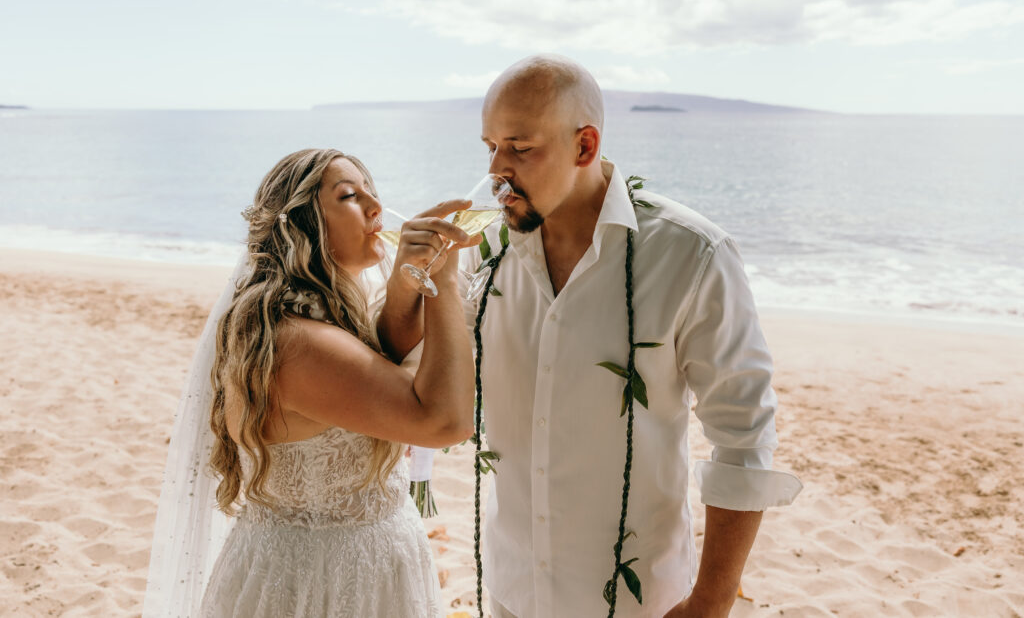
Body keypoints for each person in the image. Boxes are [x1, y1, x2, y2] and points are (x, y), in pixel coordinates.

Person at [463, 55, 803, 617]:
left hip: (635, 602)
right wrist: (409, 279)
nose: (499, 169)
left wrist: (711, 603)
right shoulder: (482, 253)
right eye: (489, 147)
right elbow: (421, 372)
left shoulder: (692, 254)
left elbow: (744, 438)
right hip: (510, 592)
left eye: (520, 149)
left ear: (585, 146)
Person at [143, 148, 478, 617]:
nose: (376, 207)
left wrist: (403, 289)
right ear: (300, 224)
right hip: (327, 584)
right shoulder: (298, 347)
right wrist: (440, 281)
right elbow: (444, 421)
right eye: (349, 196)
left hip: (342, 568)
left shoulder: (314, 317)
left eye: (373, 193)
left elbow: (376, 362)